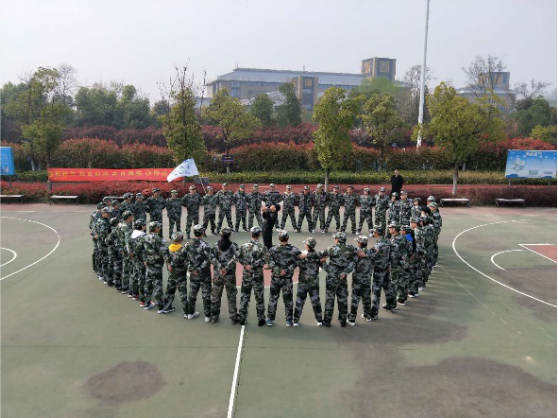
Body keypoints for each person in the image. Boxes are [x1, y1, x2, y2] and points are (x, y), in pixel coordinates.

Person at [321, 232, 358, 327]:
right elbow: (355, 258)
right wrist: (346, 271)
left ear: (337, 240)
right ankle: (343, 320)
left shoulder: (331, 249)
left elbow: (320, 258)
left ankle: (327, 320)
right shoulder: (351, 248)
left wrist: (328, 269)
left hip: (332, 277)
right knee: (343, 299)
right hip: (343, 277)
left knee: (330, 299)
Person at [266, 230, 302, 327]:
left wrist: (278, 270)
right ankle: (288, 320)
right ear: (288, 238)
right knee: (288, 300)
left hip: (276, 278)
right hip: (287, 279)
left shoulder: (273, 249)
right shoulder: (294, 249)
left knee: (273, 298)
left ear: (279, 238)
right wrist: (287, 269)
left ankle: (270, 319)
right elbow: (299, 260)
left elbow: (268, 262)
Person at [237, 226, 268, 326]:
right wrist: (255, 265)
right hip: (258, 276)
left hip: (247, 275)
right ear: (260, 235)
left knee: (244, 296)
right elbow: (266, 260)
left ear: (251, 234)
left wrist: (245, 265)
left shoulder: (244, 246)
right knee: (259, 297)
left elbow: (237, 257)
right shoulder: (262, 247)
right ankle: (261, 318)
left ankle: (242, 317)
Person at [210, 227, 239, 324]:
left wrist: (220, 268)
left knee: (215, 296)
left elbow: (212, 258)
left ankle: (214, 316)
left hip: (218, 275)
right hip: (229, 275)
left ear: (221, 235)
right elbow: (236, 258)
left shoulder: (215, 246)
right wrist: (226, 268)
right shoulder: (233, 246)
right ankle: (233, 317)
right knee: (231, 296)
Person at [294, 237, 325, 326]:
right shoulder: (318, 256)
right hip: (313, 283)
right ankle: (319, 320)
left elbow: (295, 263)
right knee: (316, 301)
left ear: (307, 245)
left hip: (303, 282)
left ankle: (295, 321)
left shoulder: (302, 256)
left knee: (299, 301)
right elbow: (325, 266)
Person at [184, 224, 213, 322]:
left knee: (192, 294)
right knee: (206, 295)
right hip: (204, 274)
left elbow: (184, 258)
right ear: (202, 232)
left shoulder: (187, 244)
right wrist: (199, 269)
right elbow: (209, 259)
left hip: (193, 273)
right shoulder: (205, 245)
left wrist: (191, 268)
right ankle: (207, 316)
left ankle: (190, 313)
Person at [369, 226, 397, 318]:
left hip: (379, 269)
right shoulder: (388, 242)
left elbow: (371, 256)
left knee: (376, 292)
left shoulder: (378, 245)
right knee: (388, 287)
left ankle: (374, 313)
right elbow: (392, 255)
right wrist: (389, 264)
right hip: (386, 268)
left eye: (374, 232)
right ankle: (391, 305)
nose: (373, 233)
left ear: (377, 233)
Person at [348, 235, 375, 325]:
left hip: (357, 280)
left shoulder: (357, 253)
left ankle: (352, 318)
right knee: (366, 297)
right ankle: (368, 315)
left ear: (359, 243)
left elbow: (351, 265)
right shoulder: (371, 252)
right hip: (367, 279)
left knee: (355, 298)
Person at [141, 221, 166, 312]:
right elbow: (163, 252)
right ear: (155, 228)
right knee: (157, 285)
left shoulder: (145, 237)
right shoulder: (157, 238)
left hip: (148, 264)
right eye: (158, 227)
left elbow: (140, 249)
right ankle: (160, 307)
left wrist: (144, 259)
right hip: (156, 264)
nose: (159, 228)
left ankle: (147, 303)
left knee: (148, 284)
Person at [162, 232, 189, 316]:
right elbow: (187, 261)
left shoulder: (168, 249)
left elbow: (167, 260)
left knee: (169, 291)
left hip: (172, 275)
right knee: (183, 294)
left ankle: (166, 307)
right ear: (180, 239)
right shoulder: (183, 250)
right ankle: (186, 312)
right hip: (181, 275)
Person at [129, 219, 146, 302]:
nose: (145, 226)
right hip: (141, 259)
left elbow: (128, 245)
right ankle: (143, 297)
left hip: (134, 258)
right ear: (141, 226)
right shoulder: (143, 236)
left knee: (135, 275)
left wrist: (131, 252)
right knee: (142, 278)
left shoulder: (132, 234)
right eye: (144, 225)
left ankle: (134, 293)